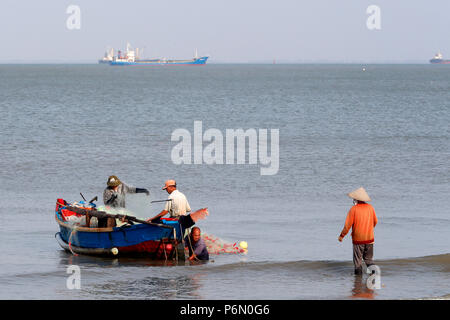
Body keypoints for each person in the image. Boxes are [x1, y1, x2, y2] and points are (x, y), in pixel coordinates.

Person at [338, 187, 378, 275]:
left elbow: (347, 226)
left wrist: (341, 236)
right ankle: (375, 277)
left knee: (358, 262)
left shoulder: (353, 209)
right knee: (369, 259)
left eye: (354, 198)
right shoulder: (370, 208)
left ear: (356, 199)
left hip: (358, 240)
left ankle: (358, 282)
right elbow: (375, 221)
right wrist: (369, 229)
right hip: (370, 238)